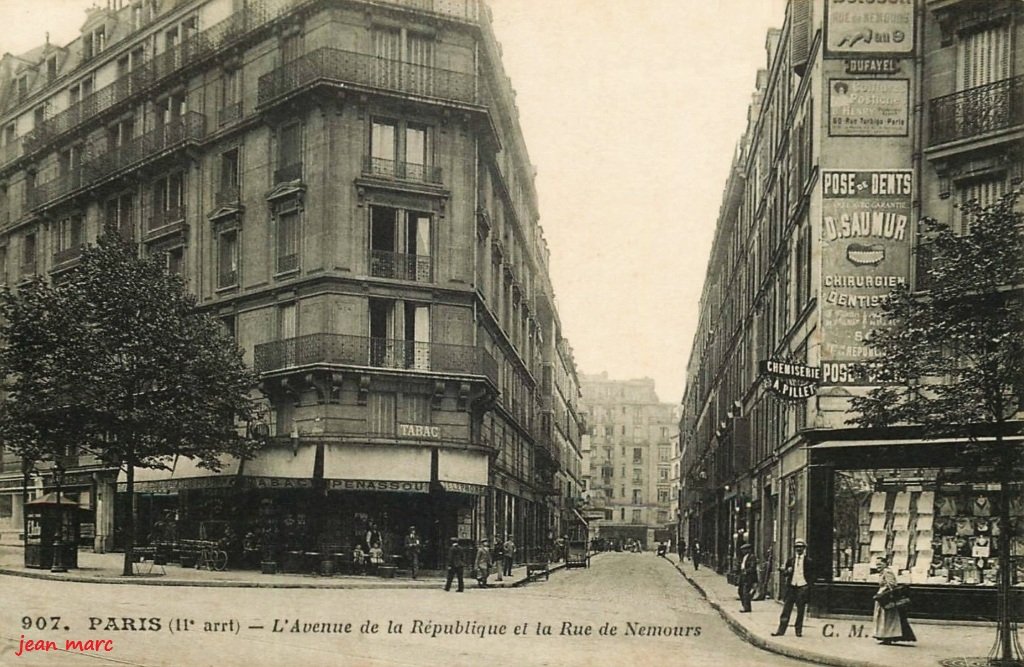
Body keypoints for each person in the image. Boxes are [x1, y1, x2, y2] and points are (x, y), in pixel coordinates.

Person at [772, 538, 815, 637]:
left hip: (802, 587)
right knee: (786, 609)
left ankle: (798, 630)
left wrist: (808, 586)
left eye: (801, 547)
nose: (799, 549)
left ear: (804, 548)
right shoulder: (791, 560)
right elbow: (786, 574)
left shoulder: (809, 561)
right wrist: (786, 571)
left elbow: (812, 575)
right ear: (794, 548)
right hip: (792, 587)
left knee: (800, 610)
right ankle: (781, 630)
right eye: (797, 547)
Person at [873, 556, 916, 644]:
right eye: (877, 564)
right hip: (882, 596)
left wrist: (885, 594)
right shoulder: (883, 572)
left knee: (887, 618)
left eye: (880, 564)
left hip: (886, 597)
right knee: (884, 617)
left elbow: (892, 584)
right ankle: (886, 636)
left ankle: (888, 636)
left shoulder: (887, 571)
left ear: (885, 564)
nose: (878, 566)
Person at [736, 543, 757, 613]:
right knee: (740, 591)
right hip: (743, 576)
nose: (743, 551)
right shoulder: (744, 557)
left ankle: (747, 608)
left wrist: (746, 571)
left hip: (749, 577)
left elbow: (752, 567)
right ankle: (744, 606)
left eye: (744, 550)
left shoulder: (752, 557)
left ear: (748, 550)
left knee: (745, 592)